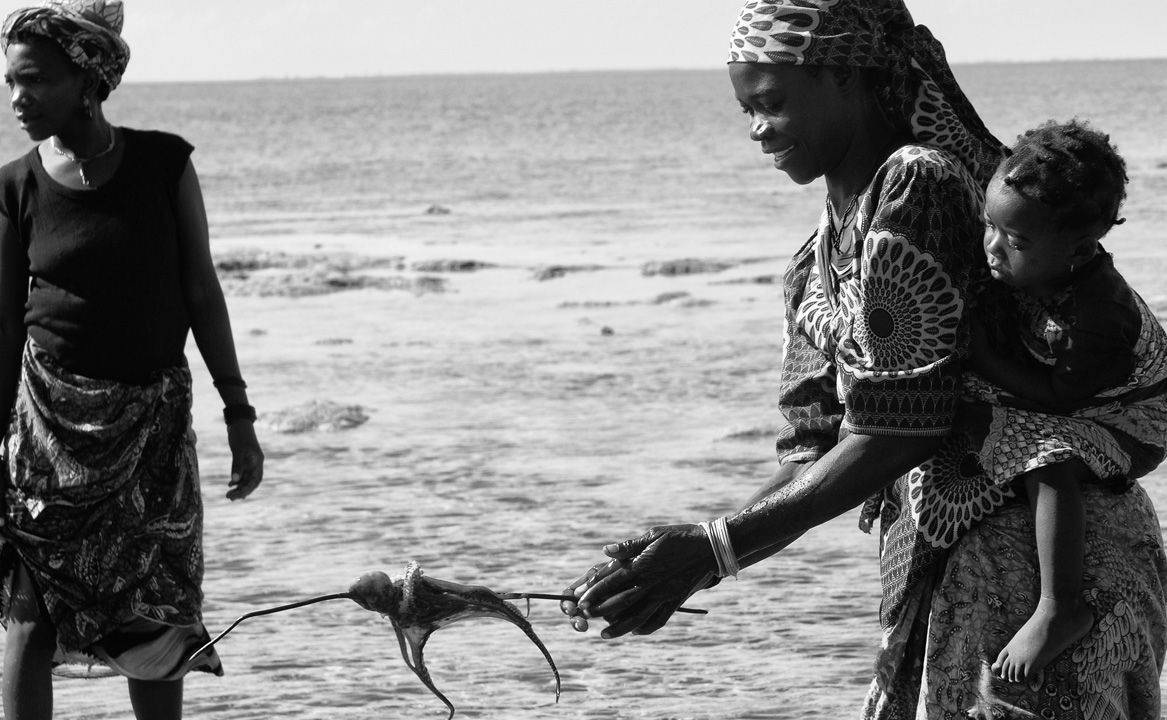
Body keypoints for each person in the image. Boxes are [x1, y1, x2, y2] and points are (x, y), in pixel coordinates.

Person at [560, 2, 1167, 718]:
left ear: (846, 77)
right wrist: (694, 560)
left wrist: (714, 549)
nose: (757, 130)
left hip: (1047, 577)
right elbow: (813, 449)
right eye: (745, 111)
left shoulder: (919, 185)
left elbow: (902, 425)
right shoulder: (811, 265)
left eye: (773, 103)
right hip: (937, 567)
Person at [0, 1, 265, 718]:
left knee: (155, 613)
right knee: (30, 610)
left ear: (87, 80)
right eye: (10, 83)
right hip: (46, 435)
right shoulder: (17, 183)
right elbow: (2, 325)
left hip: (151, 432)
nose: (18, 99)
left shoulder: (162, 164)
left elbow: (202, 293)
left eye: (35, 81)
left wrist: (238, 413)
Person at [966, 119, 1167, 683]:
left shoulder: (1103, 311)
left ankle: (1060, 608)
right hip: (1087, 398)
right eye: (990, 226)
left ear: (1078, 250)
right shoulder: (1047, 265)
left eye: (1017, 241)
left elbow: (1061, 398)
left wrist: (983, 358)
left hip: (1133, 420)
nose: (994, 247)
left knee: (1047, 461)